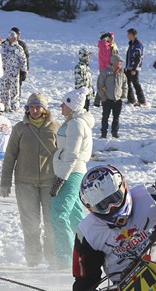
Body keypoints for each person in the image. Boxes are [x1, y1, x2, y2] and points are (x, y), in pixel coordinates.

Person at [1, 93, 60, 267]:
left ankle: (52, 258)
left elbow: (64, 155)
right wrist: (5, 182)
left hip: (50, 182)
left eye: (38, 107)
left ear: (45, 109)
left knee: (51, 223)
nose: (34, 110)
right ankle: (33, 260)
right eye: (31, 107)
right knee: (30, 224)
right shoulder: (20, 128)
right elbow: (10, 155)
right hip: (25, 183)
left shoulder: (56, 127)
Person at [50, 87, 93, 269]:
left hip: (71, 172)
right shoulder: (75, 121)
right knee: (76, 216)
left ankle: (66, 260)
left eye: (64, 103)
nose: (61, 106)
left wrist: (61, 178)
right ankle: (85, 254)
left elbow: (72, 154)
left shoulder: (76, 125)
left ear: (72, 106)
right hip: (73, 172)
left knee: (59, 213)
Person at [96, 53, 128, 139]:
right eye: (119, 62)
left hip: (118, 99)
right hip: (107, 99)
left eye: (121, 62)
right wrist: (103, 96)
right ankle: (103, 133)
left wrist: (123, 95)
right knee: (105, 117)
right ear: (113, 62)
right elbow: (100, 85)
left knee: (116, 117)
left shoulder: (122, 74)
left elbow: (125, 85)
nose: (120, 64)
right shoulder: (105, 72)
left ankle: (115, 132)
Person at [0, 30, 28, 113]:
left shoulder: (18, 48)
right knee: (4, 90)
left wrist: (24, 70)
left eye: (15, 38)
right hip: (4, 72)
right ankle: (4, 106)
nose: (14, 39)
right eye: (13, 38)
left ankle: (14, 107)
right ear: (9, 38)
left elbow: (23, 59)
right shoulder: (3, 46)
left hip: (14, 73)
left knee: (14, 90)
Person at [125, 28, 146, 107]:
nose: (127, 36)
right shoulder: (131, 44)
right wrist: (127, 67)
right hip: (129, 67)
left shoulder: (138, 45)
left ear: (132, 35)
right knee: (127, 83)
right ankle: (131, 99)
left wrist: (134, 68)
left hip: (134, 68)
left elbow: (138, 57)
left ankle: (142, 100)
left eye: (128, 34)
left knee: (136, 84)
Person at [11, 27, 29, 93]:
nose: (18, 36)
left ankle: (17, 101)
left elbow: (26, 58)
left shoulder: (22, 45)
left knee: (17, 89)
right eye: (16, 34)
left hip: (18, 71)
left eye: (19, 34)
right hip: (7, 72)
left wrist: (26, 70)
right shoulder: (5, 44)